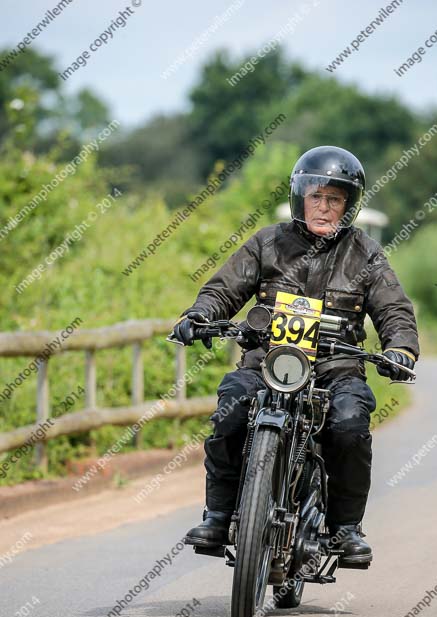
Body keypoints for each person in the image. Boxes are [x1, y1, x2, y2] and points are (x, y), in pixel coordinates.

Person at [173, 146, 419, 566]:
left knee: (348, 423)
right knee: (232, 406)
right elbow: (223, 290)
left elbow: (394, 309)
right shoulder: (266, 243)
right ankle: (218, 515)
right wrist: (200, 314)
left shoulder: (367, 255)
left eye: (335, 199)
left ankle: (345, 528)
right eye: (316, 197)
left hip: (335, 369)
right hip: (266, 364)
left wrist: (400, 348)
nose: (324, 208)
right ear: (300, 198)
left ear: (349, 205)